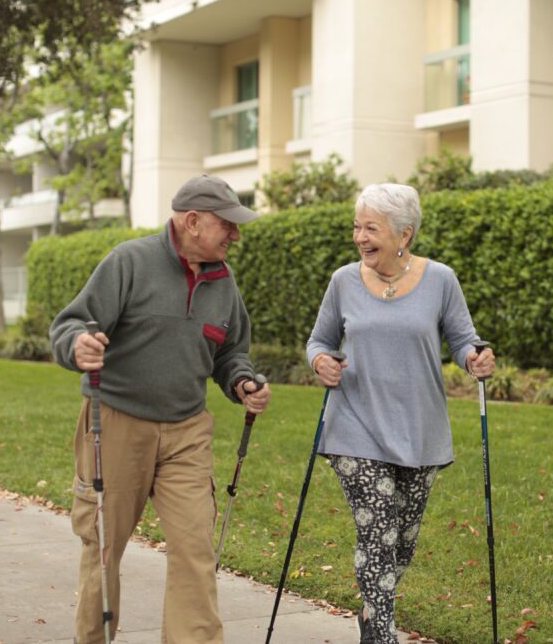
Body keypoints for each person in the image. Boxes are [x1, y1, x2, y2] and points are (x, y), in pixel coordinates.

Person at [49, 174, 272, 644]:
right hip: (116, 423)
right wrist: (79, 346)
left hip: (187, 429)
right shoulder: (129, 262)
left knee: (195, 547)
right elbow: (70, 323)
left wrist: (242, 381)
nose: (236, 234)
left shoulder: (224, 284)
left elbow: (230, 353)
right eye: (227, 225)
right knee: (104, 546)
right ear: (192, 221)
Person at [306, 183, 495, 644]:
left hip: (420, 431)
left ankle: (372, 614)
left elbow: (464, 340)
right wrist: (321, 362)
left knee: (402, 542)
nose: (359, 237)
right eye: (357, 227)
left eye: (371, 228)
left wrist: (476, 358)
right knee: (377, 532)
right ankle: (383, 636)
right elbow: (319, 342)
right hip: (355, 425)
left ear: (403, 234)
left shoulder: (441, 280)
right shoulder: (343, 281)